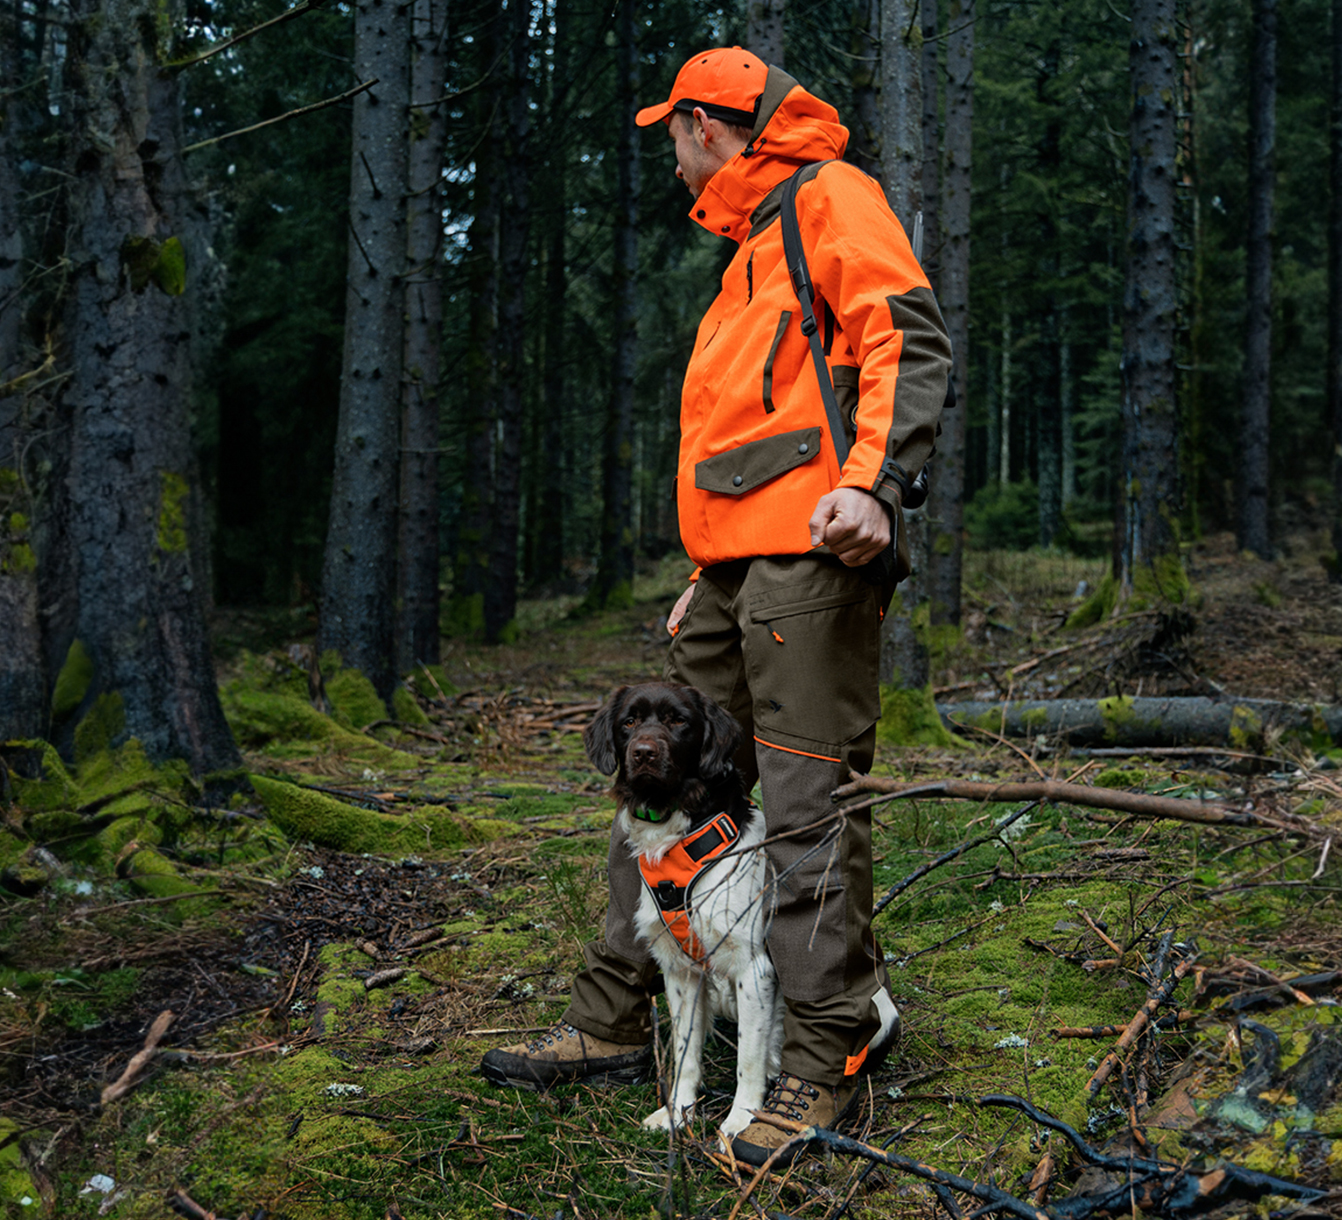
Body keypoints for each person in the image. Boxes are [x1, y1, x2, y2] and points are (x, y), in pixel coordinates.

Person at [479, 46, 950, 1171]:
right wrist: (708, 561)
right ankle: (612, 1013)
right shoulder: (745, 247)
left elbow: (905, 336)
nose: (670, 153)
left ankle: (828, 1046)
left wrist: (876, 483)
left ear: (709, 126)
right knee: (665, 782)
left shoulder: (832, 198)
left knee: (801, 800)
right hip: (734, 567)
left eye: (674, 132)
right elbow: (747, 428)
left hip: (811, 556)